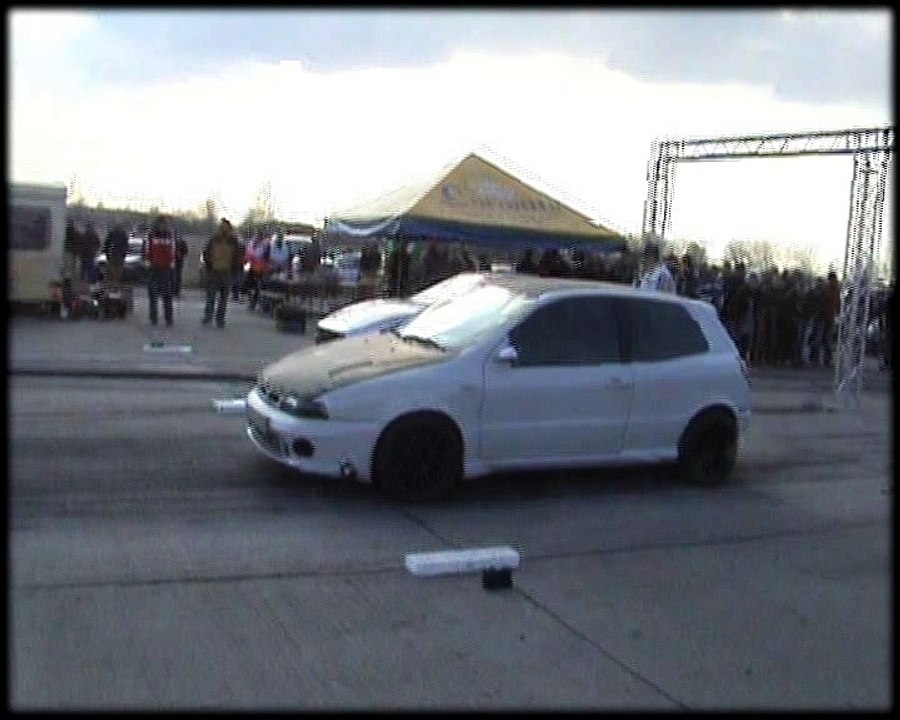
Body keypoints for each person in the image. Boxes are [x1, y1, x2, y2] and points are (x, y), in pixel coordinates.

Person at [202, 218, 241, 328]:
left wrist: (235, 270)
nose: (223, 229)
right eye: (222, 226)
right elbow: (206, 253)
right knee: (211, 297)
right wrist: (208, 265)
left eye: (225, 227)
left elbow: (238, 257)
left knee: (223, 298)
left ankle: (220, 319)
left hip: (227, 272)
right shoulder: (213, 239)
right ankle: (208, 317)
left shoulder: (234, 241)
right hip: (214, 271)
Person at [143, 215, 177, 326]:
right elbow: (147, 249)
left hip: (166, 268)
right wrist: (148, 262)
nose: (164, 226)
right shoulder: (151, 235)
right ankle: (153, 318)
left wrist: (172, 264)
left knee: (167, 294)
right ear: (157, 224)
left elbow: (173, 250)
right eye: (162, 224)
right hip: (153, 267)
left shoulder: (170, 236)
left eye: (165, 224)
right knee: (153, 294)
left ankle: (169, 318)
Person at [244, 230, 271, 311]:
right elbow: (248, 253)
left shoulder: (266, 244)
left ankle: (255, 303)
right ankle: (252, 301)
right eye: (258, 235)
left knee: (258, 287)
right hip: (253, 267)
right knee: (250, 285)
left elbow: (267, 257)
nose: (259, 237)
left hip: (261, 269)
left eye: (260, 236)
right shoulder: (253, 243)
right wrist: (247, 261)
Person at [173, 231, 189, 297]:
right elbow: (186, 252)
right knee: (175, 277)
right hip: (175, 261)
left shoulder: (180, 242)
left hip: (178, 261)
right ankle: (175, 292)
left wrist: (181, 254)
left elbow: (186, 252)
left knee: (176, 277)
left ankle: (176, 292)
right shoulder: (177, 242)